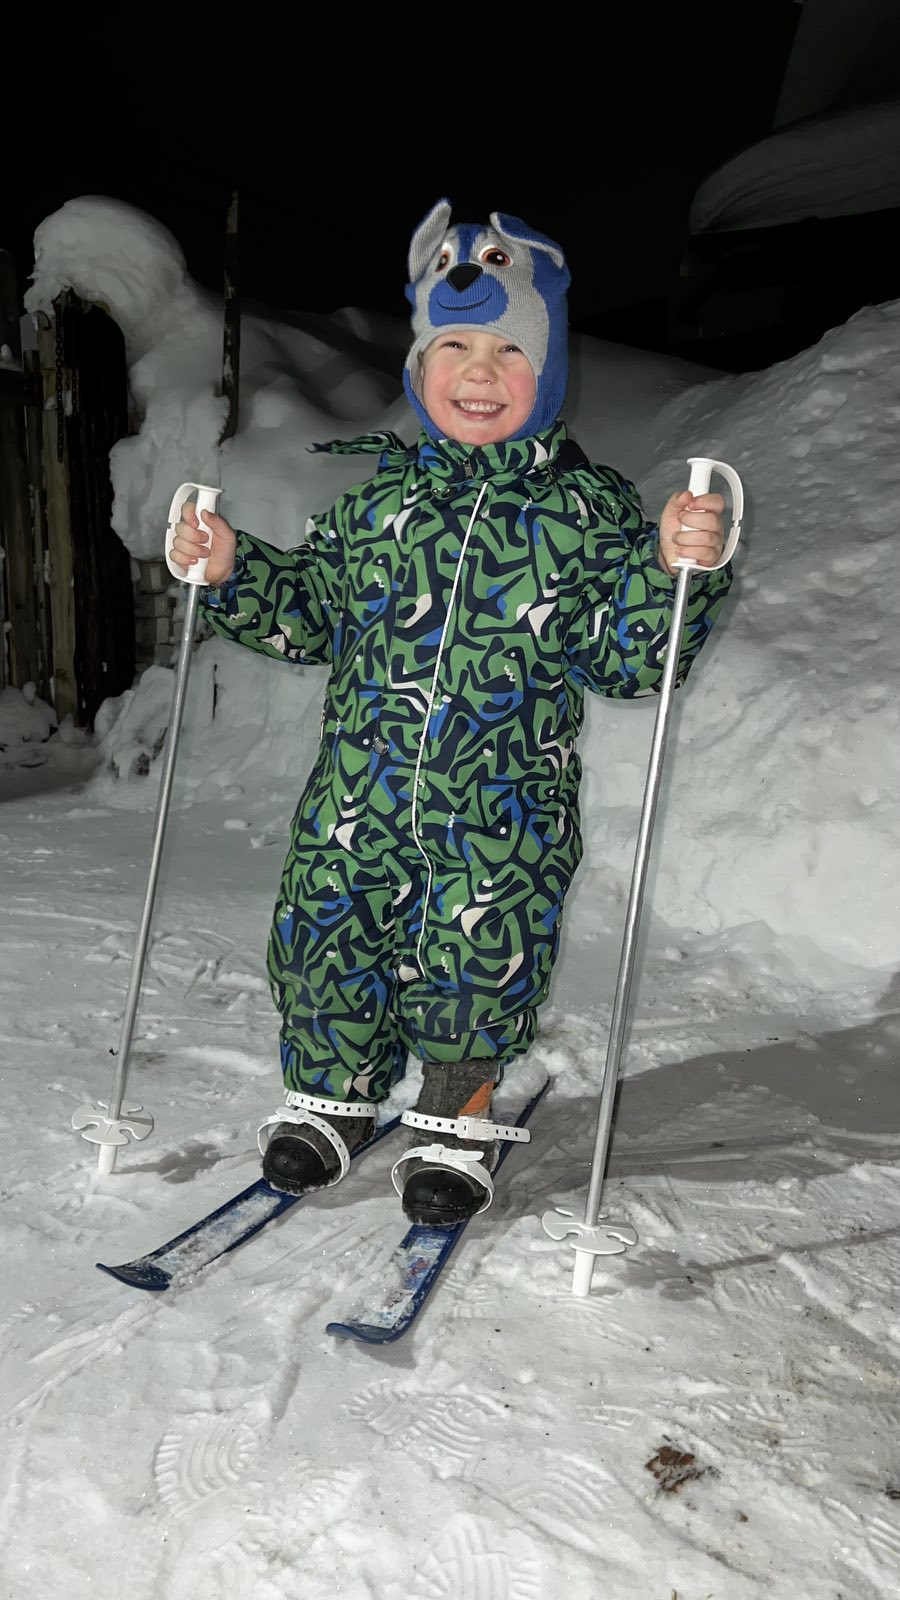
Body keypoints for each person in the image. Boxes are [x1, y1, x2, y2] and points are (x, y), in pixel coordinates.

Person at [170, 199, 731, 1227]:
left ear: (548, 371)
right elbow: (311, 614)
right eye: (456, 346)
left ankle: (453, 1111)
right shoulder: (375, 507)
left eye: (510, 352)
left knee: (479, 959)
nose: (480, 371)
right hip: (358, 797)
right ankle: (332, 1095)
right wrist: (235, 567)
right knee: (324, 933)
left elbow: (625, 659)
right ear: (421, 367)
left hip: (500, 809)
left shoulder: (584, 513)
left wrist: (669, 570)